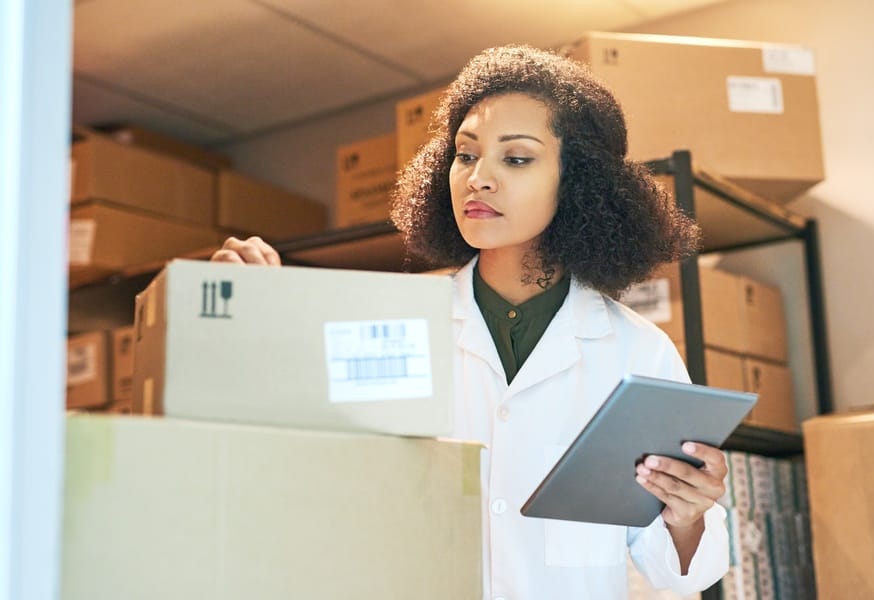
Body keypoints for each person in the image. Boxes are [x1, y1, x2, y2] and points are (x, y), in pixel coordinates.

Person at [213, 45, 730, 599]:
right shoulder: (392, 325)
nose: (478, 179)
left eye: (516, 159)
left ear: (579, 182)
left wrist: (688, 512)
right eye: (465, 155)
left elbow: (683, 574)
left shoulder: (636, 352)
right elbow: (287, 468)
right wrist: (247, 317)